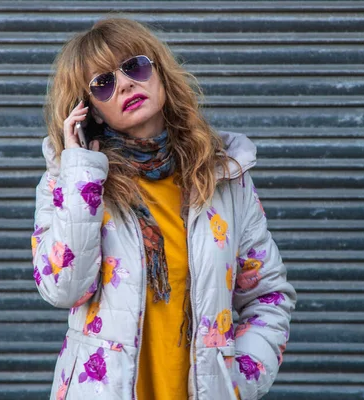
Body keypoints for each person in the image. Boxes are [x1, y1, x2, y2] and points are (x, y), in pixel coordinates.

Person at [32, 17, 297, 400]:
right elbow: (63, 289)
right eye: (102, 83)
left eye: (134, 66)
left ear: (159, 70)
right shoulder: (70, 183)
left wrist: (237, 380)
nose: (124, 83)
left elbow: (269, 296)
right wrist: (82, 172)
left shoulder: (223, 175)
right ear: (89, 109)